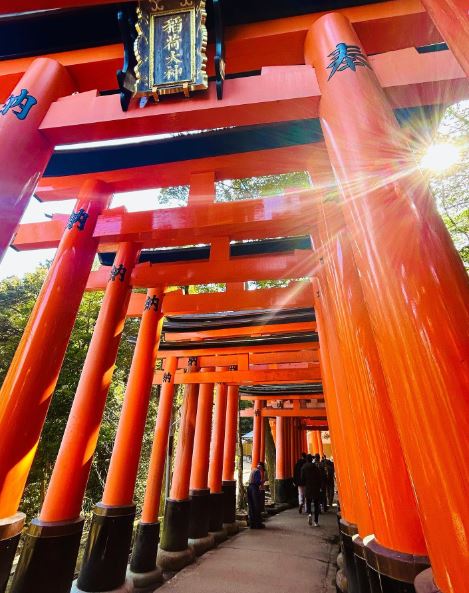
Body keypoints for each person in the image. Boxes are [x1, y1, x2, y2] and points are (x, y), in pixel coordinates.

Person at [301, 454, 322, 526]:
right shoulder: (315, 467)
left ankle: (309, 514)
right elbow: (319, 477)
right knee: (316, 504)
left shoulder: (304, 467)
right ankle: (316, 521)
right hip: (315, 488)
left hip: (308, 487)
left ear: (306, 459)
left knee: (308, 502)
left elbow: (302, 479)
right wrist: (320, 487)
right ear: (311, 459)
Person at [247, 461, 265, 529]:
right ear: (261, 467)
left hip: (249, 488)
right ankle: (258, 524)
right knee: (256, 506)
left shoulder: (253, 470)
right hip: (254, 489)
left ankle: (252, 524)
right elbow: (257, 482)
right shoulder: (257, 471)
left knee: (251, 506)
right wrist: (262, 481)